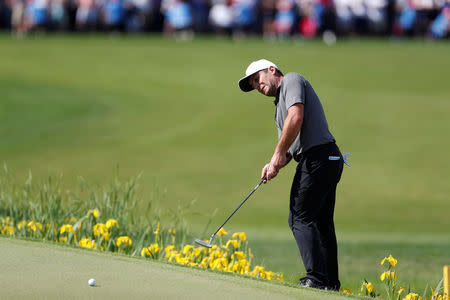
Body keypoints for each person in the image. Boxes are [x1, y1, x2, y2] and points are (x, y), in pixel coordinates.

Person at [238, 59, 345, 291]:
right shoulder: (279, 110)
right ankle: (330, 284)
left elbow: (296, 118)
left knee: (299, 217)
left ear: (272, 70)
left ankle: (316, 278)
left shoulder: (292, 80)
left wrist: (278, 154)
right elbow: (287, 149)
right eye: (253, 85)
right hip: (328, 159)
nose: (257, 86)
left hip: (319, 157)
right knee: (321, 222)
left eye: (258, 79)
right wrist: (274, 164)